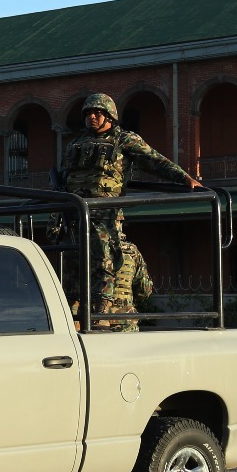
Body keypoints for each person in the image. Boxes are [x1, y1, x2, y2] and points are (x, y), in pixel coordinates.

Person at [58, 92, 200, 324]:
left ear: (109, 116)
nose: (91, 117)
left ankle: (102, 306)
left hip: (104, 211)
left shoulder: (124, 139)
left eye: (97, 113)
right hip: (74, 211)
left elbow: (155, 161)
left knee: (104, 256)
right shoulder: (76, 143)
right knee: (72, 257)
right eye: (88, 113)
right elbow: (64, 176)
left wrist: (184, 178)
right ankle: (73, 308)